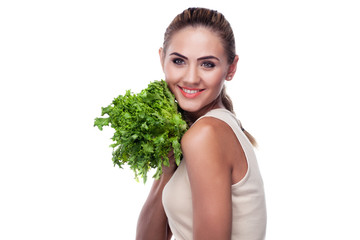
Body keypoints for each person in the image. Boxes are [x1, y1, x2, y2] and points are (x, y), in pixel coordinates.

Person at [136, 7, 266, 240]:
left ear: (231, 68)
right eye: (178, 61)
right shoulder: (205, 129)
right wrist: (167, 168)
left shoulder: (207, 134)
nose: (191, 77)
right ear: (161, 58)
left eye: (207, 64)